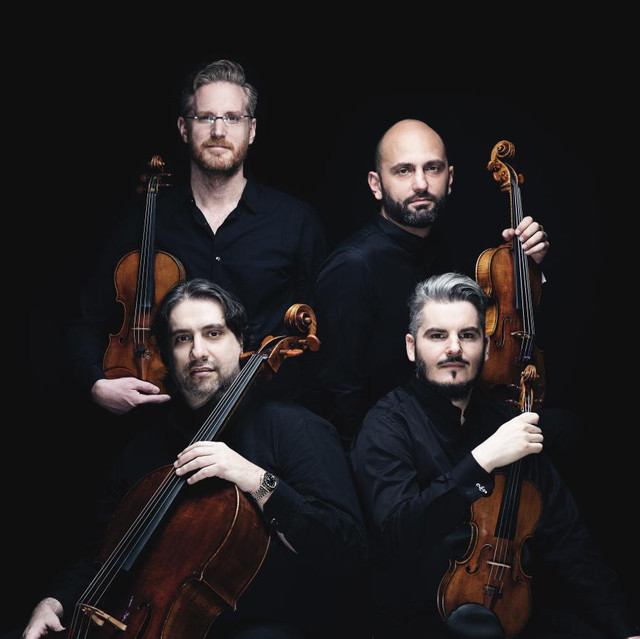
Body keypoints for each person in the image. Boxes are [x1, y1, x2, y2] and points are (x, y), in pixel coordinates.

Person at [21, 279, 366, 639]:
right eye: (182, 338)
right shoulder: (144, 450)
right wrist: (54, 603)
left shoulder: (295, 429)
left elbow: (347, 552)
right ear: (166, 355)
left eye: (213, 334)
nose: (198, 351)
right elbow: (100, 557)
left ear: (240, 342)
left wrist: (254, 479)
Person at [349, 272, 639, 639]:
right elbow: (400, 532)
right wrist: (482, 459)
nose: (453, 349)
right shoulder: (387, 425)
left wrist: (624, 629)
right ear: (411, 347)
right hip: (420, 618)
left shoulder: (508, 424)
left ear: (486, 347)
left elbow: (569, 543)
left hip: (513, 608)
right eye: (437, 336)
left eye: (467, 335)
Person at [67, 58, 326, 417]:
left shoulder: (295, 221)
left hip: (267, 420)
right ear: (184, 128)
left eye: (232, 118)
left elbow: (322, 339)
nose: (218, 131)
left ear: (251, 130)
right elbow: (88, 319)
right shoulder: (144, 218)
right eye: (205, 117)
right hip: (163, 419)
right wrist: (96, 383)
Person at [308, 118, 549, 444]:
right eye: (404, 171)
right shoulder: (351, 267)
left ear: (450, 179)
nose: (421, 184)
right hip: (392, 447)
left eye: (432, 168)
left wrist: (527, 264)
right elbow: (339, 396)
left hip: (453, 430)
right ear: (376, 184)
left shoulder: (450, 246)